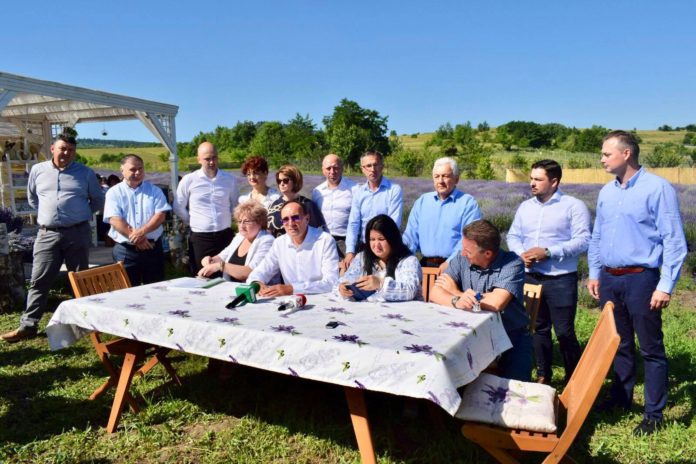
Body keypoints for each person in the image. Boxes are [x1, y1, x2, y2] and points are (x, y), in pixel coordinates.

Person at [587, 130, 687, 436]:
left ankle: (653, 414)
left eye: (606, 154)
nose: (602, 159)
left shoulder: (657, 188)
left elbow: (674, 240)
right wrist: (594, 271)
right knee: (618, 343)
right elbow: (598, 235)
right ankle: (621, 398)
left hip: (641, 279)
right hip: (610, 278)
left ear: (626, 153)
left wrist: (665, 285)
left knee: (650, 348)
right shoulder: (607, 192)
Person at [2, 134, 104, 343]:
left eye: (71, 150)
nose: (66, 153)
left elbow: (97, 200)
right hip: (47, 233)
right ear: (52, 149)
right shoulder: (38, 170)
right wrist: (50, 214)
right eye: (62, 148)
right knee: (39, 279)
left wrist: (78, 215)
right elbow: (33, 199)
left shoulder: (84, 173)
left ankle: (83, 323)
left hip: (77, 232)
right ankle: (28, 326)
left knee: (79, 278)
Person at [507, 159, 591, 385]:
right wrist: (520, 253)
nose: (532, 183)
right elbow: (513, 235)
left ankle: (575, 380)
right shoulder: (525, 207)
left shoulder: (573, 206)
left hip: (560, 279)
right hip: (530, 277)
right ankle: (544, 375)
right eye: (531, 178)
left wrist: (548, 252)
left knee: (564, 332)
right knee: (537, 329)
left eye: (538, 179)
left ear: (554, 182)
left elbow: (583, 240)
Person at [430, 220, 532, 382]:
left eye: (468, 251)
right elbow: (435, 293)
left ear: (488, 254)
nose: (463, 254)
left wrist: (456, 293)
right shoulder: (462, 259)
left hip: (510, 336)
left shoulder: (512, 263)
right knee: (442, 372)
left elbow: (497, 302)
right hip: (469, 335)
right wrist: (457, 300)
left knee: (515, 389)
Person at [402, 157, 481, 272]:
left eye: (445, 176)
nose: (440, 181)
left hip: (457, 267)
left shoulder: (467, 203)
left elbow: (469, 239)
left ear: (456, 179)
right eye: (437, 176)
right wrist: (404, 259)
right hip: (425, 265)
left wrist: (450, 263)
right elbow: (410, 236)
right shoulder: (422, 201)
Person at [103, 155, 171, 286]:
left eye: (141, 168)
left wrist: (141, 232)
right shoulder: (113, 192)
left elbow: (160, 215)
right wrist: (137, 238)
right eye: (133, 169)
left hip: (152, 249)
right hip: (126, 251)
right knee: (127, 291)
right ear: (122, 170)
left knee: (156, 289)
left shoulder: (155, 191)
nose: (138, 172)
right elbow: (115, 219)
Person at [247, 200, 339, 296]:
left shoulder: (325, 240)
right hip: (290, 300)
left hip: (322, 299)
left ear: (307, 219)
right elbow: (261, 271)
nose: (291, 223)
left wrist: (293, 289)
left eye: (295, 218)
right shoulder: (279, 243)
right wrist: (256, 282)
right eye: (285, 219)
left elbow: (331, 282)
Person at [173, 142, 239, 275]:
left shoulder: (229, 179)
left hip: (225, 236)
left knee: (229, 275)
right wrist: (192, 221)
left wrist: (228, 220)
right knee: (203, 276)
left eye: (214, 158)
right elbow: (178, 207)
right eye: (207, 159)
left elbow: (235, 205)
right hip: (201, 239)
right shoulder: (189, 180)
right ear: (198, 159)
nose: (211, 162)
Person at [337, 214, 422, 302]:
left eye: (381, 239)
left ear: (392, 239)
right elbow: (346, 279)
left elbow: (410, 290)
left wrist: (380, 283)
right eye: (372, 239)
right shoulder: (362, 258)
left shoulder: (409, 261)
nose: (376, 245)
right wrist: (342, 287)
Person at [342, 150, 403, 272]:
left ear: (382, 166)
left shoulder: (394, 190)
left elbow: (393, 223)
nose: (372, 169)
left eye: (376, 165)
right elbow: (353, 223)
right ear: (362, 169)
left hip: (386, 248)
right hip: (364, 248)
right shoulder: (359, 193)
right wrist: (350, 251)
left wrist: (379, 245)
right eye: (368, 166)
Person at [198, 201, 275, 283]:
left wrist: (220, 266)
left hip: (257, 289)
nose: (241, 225)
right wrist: (209, 260)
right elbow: (222, 256)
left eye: (246, 221)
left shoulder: (267, 241)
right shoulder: (239, 237)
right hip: (231, 287)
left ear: (260, 222)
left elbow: (251, 272)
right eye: (239, 221)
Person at [312, 154, 357, 258]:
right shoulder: (317, 192)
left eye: (336, 167)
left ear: (342, 168)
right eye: (328, 168)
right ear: (323, 170)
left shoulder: (354, 189)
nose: (332, 172)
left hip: (347, 241)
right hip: (325, 241)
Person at [267, 164, 326, 237]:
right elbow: (268, 233)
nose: (282, 183)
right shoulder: (273, 206)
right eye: (279, 181)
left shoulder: (308, 205)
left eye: (285, 180)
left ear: (295, 181)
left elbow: (317, 231)